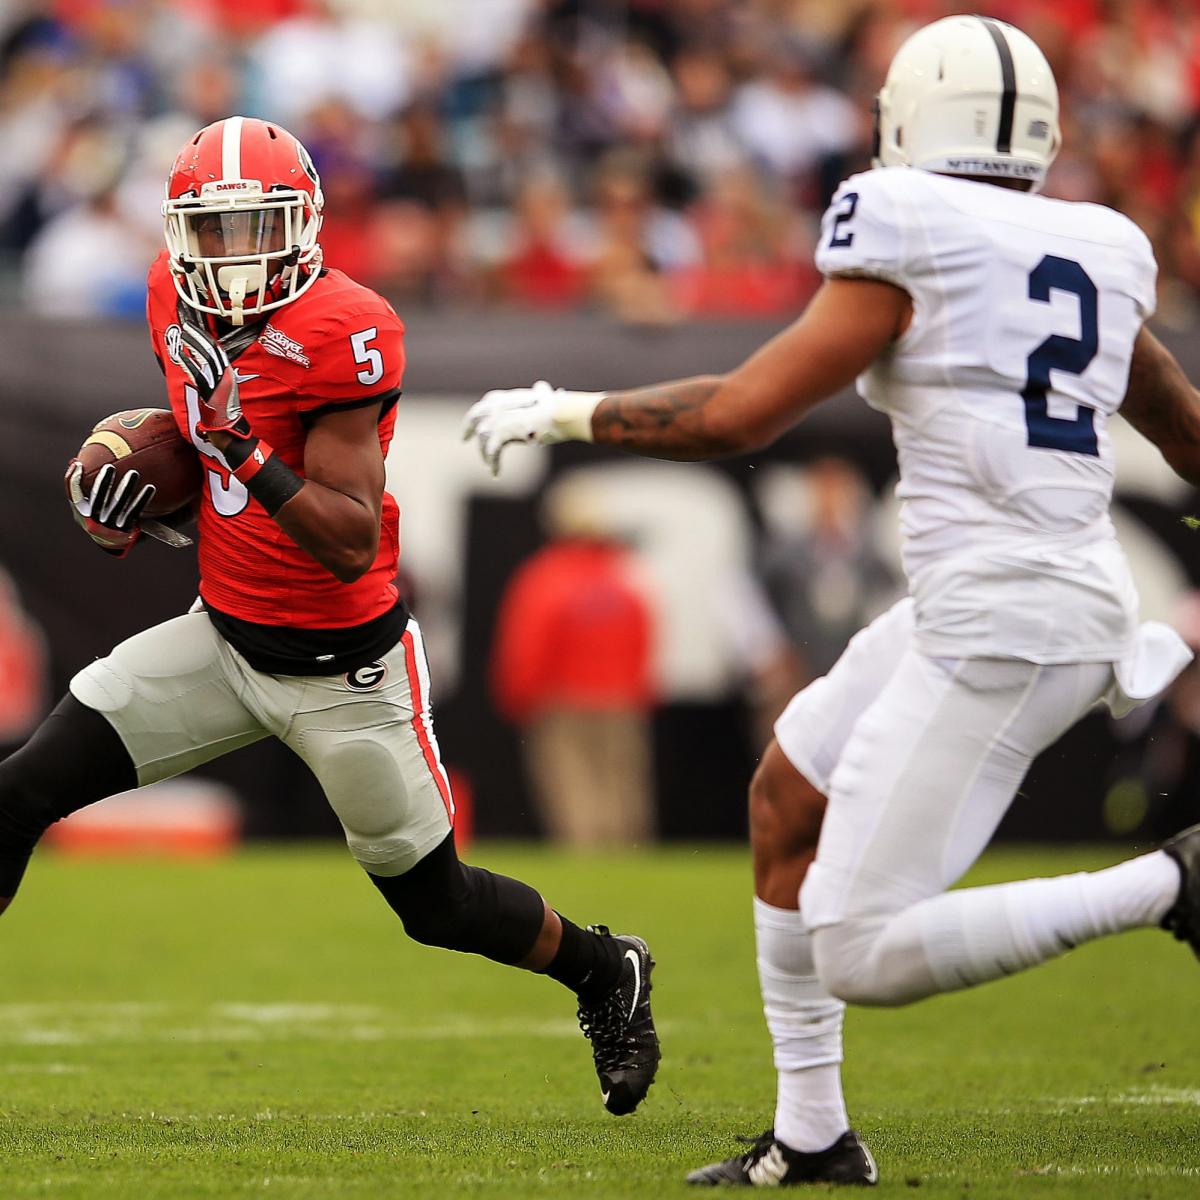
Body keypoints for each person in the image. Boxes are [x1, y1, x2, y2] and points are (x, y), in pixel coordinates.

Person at [464, 15, 1200, 1186]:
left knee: (859, 948)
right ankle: (811, 1137)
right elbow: (1189, 431)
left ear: (906, 118)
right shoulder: (1097, 243)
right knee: (786, 793)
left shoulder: (910, 220)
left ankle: (1172, 882)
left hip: (1010, 616)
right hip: (1016, 594)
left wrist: (569, 410)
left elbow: (740, 415)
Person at [0, 116, 659, 1120]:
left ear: (303, 225)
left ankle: (605, 970)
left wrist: (245, 451)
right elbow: (196, 454)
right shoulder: (163, 299)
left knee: (437, 907)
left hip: (341, 670)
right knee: (18, 793)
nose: (230, 257)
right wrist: (127, 504)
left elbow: (348, 537)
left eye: (252, 228)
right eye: (210, 233)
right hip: (223, 640)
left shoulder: (343, 328)